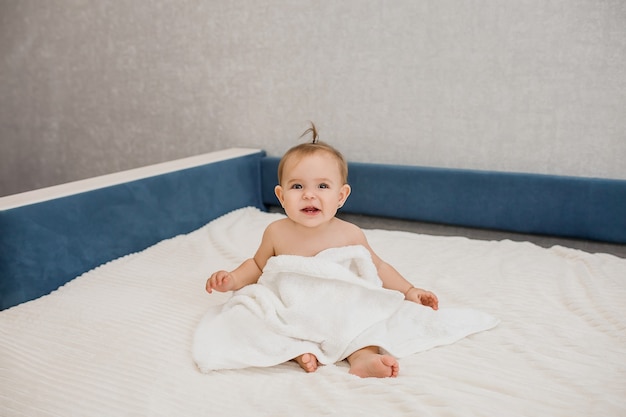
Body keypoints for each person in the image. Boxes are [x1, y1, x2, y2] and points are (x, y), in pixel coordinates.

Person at [205, 123, 439, 378]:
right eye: (297, 187)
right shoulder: (276, 232)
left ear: (341, 196)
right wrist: (232, 279)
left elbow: (378, 268)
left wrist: (408, 290)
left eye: (322, 187)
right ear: (281, 196)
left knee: (363, 319)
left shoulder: (349, 234)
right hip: (292, 307)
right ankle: (296, 350)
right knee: (252, 315)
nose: (309, 195)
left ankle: (363, 357)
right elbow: (258, 266)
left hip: (336, 306)